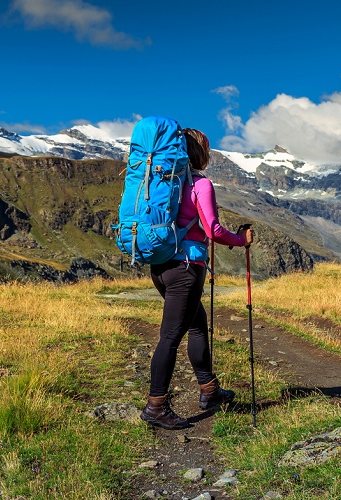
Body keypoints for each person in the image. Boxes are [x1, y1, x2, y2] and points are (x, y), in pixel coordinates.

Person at [140, 128, 253, 430]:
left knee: (197, 325)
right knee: (171, 336)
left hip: (160, 267)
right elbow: (213, 230)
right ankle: (156, 405)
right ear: (200, 153)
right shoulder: (200, 183)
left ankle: (210, 389)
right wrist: (241, 240)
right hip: (186, 269)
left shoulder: (160, 182)